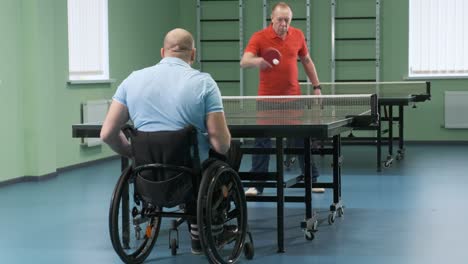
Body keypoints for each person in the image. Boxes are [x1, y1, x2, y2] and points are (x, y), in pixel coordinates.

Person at [100, 28, 231, 254]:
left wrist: (132, 152)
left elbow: (107, 134)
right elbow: (221, 145)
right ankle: (209, 223)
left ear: (162, 52)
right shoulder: (204, 83)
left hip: (147, 173)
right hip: (191, 176)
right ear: (193, 54)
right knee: (230, 153)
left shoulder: (132, 80)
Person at [240, 2, 324, 196]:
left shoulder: (298, 35)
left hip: (293, 98)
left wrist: (317, 87)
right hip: (267, 100)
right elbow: (244, 62)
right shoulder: (260, 37)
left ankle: (311, 181)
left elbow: (307, 61)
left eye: (287, 20)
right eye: (280, 19)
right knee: (262, 143)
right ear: (272, 19)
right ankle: (256, 185)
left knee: (301, 141)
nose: (284, 24)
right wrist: (260, 61)